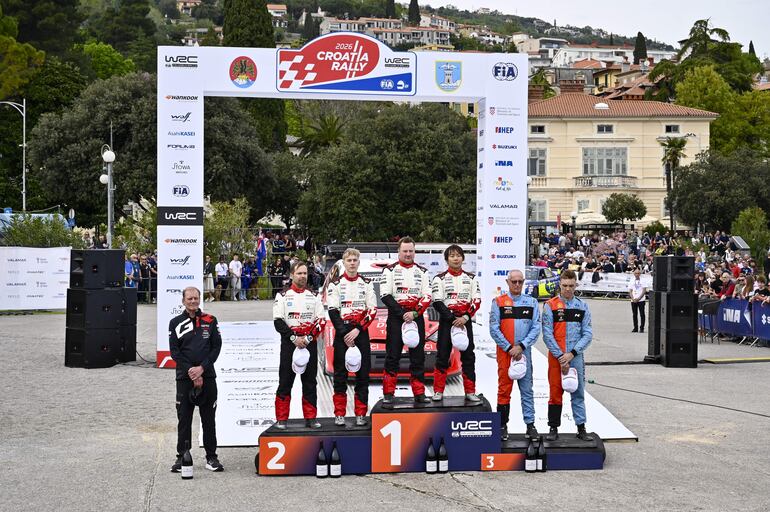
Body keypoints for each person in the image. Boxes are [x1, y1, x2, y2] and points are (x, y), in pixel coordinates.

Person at [168, 287, 223, 473]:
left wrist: (202, 369)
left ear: (200, 299)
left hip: (207, 376)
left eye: (196, 298)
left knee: (209, 419)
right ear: (183, 301)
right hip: (184, 378)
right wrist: (191, 371)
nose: (193, 301)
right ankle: (182, 456)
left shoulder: (211, 320)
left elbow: (216, 348)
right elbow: (175, 352)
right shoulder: (175, 322)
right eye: (189, 298)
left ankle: (211, 457)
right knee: (184, 418)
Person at [326, 249, 377, 426]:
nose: (352, 263)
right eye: (349, 260)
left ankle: (360, 414)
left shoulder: (367, 283)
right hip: (342, 334)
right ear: (344, 262)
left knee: (363, 375)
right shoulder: (335, 284)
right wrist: (345, 333)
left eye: (355, 260)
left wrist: (358, 329)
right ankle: (339, 413)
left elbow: (372, 310)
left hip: (361, 332)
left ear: (359, 262)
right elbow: (332, 311)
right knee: (340, 375)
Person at [542, 269, 594, 442]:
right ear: (560, 285)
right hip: (556, 357)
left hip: (575, 356)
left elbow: (587, 333)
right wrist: (560, 356)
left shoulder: (582, 306)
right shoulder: (550, 305)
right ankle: (553, 427)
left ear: (576, 285)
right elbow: (547, 334)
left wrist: (572, 354)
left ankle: (581, 427)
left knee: (578, 392)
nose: (568, 289)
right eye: (564, 286)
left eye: (571, 286)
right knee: (555, 391)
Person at [489, 269, 541, 441]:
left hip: (524, 353)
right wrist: (509, 347)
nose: (517, 285)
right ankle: (502, 425)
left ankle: (530, 425)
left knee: (527, 390)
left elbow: (536, 328)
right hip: (505, 353)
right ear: (507, 282)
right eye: (514, 282)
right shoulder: (498, 302)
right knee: (504, 390)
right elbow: (494, 329)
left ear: (523, 282)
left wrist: (522, 346)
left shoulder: (532, 302)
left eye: (520, 281)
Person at [272, 261, 325, 429]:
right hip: (290, 344)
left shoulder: (314, 295)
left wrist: (308, 338)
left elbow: (321, 320)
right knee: (285, 381)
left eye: (305, 273)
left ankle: (310, 417)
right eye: (299, 273)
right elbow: (278, 322)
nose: (303, 276)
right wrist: (294, 338)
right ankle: (281, 418)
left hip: (309, 343)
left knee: (310, 382)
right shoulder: (282, 295)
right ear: (292, 275)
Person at [380, 237, 432, 404]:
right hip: (396, 318)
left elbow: (427, 296)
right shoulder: (389, 270)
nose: (408, 254)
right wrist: (403, 313)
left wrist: (414, 314)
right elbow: (385, 296)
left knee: (418, 357)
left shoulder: (423, 271)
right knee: (392, 356)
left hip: (416, 318)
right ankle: (388, 393)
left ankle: (419, 392)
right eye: (405, 251)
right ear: (399, 252)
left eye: (411, 251)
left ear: (414, 251)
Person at [431, 244, 482, 404]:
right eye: (452, 255)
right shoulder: (439, 278)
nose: (455, 258)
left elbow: (476, 300)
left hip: (465, 322)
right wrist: (453, 319)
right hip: (447, 322)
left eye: (458, 255)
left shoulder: (471, 278)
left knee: (468, 357)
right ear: (447, 259)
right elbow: (437, 302)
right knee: (442, 356)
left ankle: (470, 391)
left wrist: (466, 317)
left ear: (463, 258)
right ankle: (438, 391)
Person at [629, 268, 647, 333]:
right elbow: (630, 290)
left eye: (638, 273)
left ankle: (642, 328)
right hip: (633, 300)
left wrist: (639, 298)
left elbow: (644, 290)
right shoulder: (631, 280)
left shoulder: (643, 280)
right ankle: (635, 327)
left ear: (640, 274)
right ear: (634, 274)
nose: (637, 274)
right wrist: (633, 298)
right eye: (636, 273)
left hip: (641, 300)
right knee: (634, 314)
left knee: (642, 314)